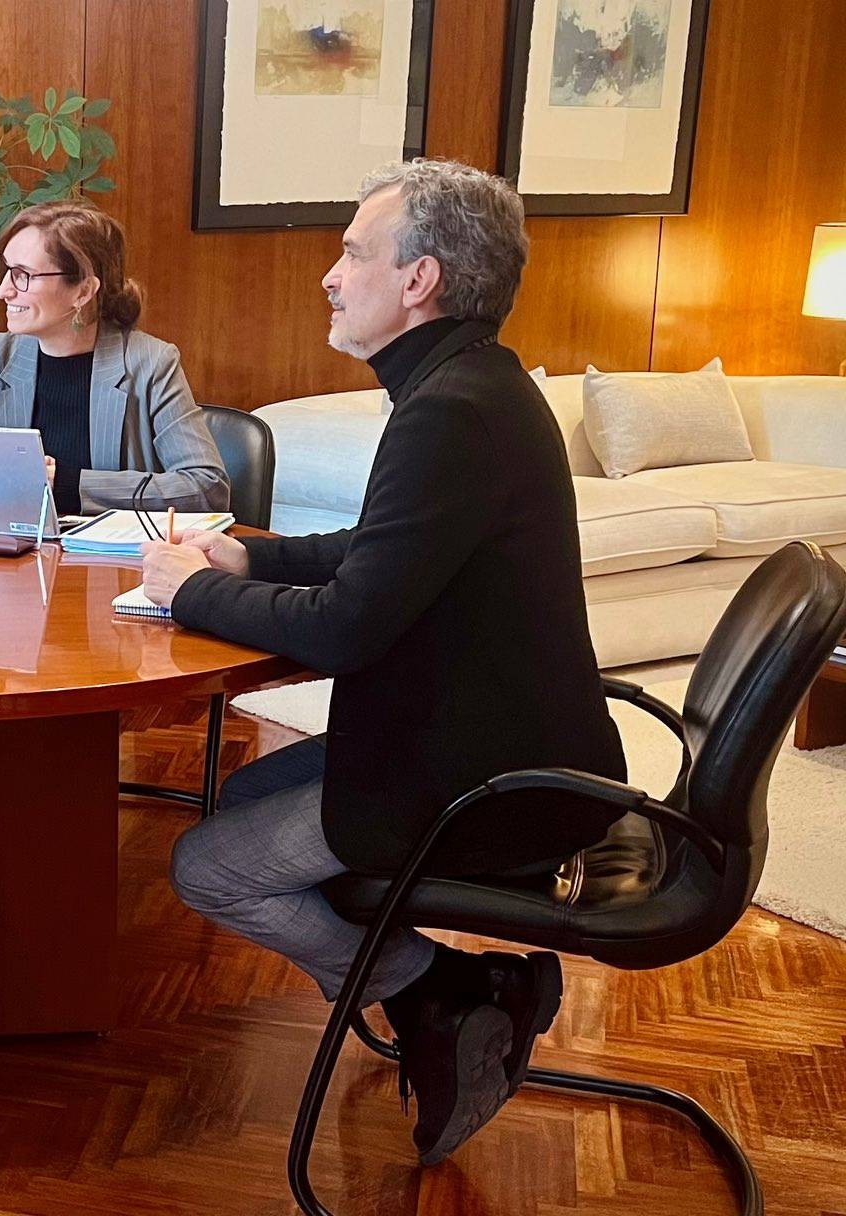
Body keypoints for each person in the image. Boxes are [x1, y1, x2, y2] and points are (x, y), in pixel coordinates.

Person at [135, 160, 627, 1163]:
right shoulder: (473, 382)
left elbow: (352, 623)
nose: (328, 274)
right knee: (235, 803)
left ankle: (442, 989)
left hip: (487, 778)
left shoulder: (449, 408)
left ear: (418, 280)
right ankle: (448, 992)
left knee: (205, 865)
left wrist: (186, 590)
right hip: (487, 737)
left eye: (351, 251)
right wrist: (250, 554)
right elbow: (387, 545)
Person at [0, 200, 228, 517]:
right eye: (6, 271)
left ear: (82, 291)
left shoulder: (151, 364)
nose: (3, 291)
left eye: (23, 275)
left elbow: (207, 487)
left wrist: (67, 485)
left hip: (108, 563)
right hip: (6, 556)